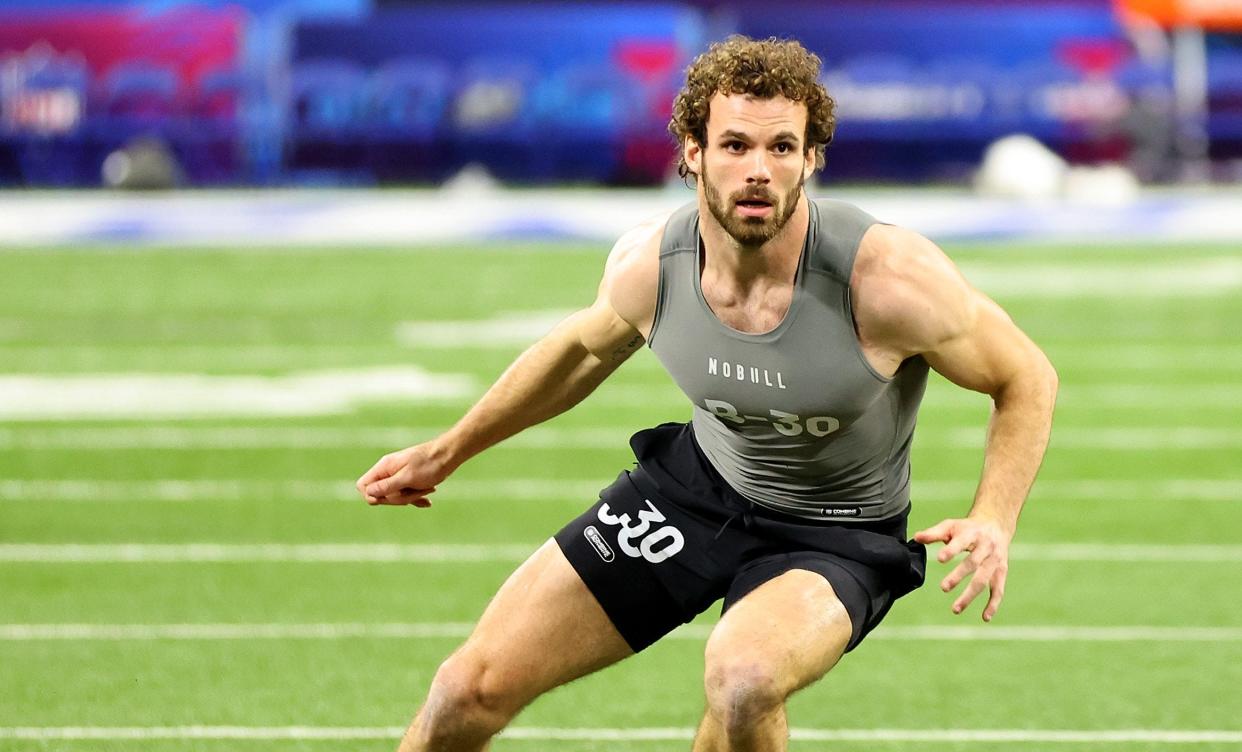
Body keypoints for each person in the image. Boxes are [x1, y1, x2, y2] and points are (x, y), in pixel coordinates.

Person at [356, 35, 1057, 752]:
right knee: (463, 692)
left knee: (744, 680)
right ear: (692, 151)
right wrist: (447, 452)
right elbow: (577, 353)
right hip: (696, 493)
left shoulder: (890, 281)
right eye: (735, 146)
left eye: (782, 148)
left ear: (812, 158)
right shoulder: (650, 267)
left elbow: (1025, 376)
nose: (759, 171)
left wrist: (993, 520)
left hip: (838, 532)